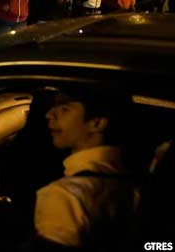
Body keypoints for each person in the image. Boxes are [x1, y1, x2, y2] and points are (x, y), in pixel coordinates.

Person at [34, 88, 136, 250]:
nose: (49, 114)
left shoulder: (65, 197)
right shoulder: (133, 180)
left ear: (97, 123)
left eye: (64, 109)